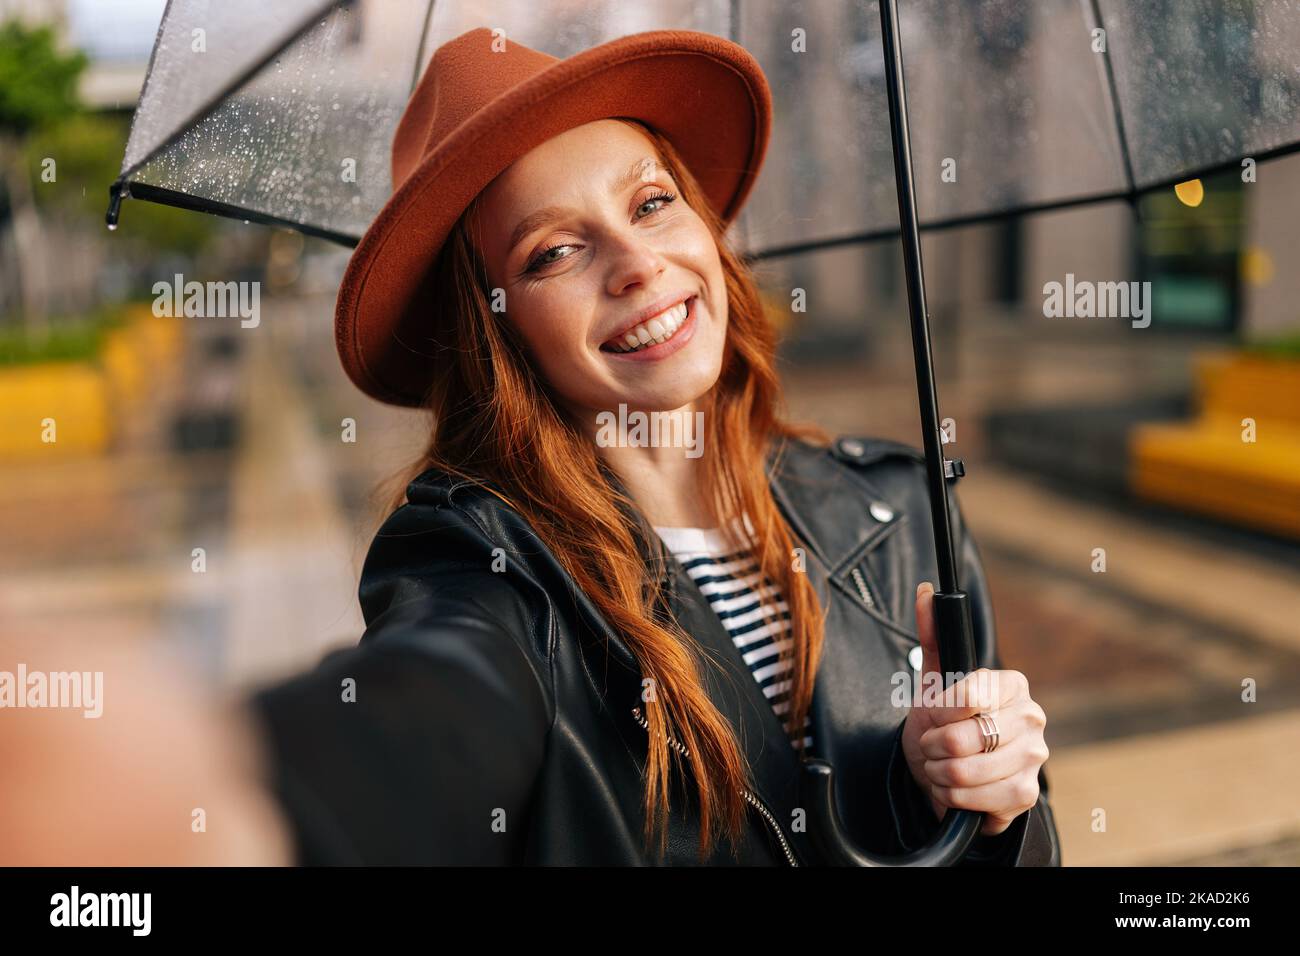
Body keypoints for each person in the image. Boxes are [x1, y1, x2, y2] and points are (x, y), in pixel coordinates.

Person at [247, 26, 1061, 866]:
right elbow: (428, 711)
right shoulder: (484, 567)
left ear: (706, 227)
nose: (637, 263)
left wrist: (972, 802)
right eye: (554, 251)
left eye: (650, 203)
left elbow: (1029, 844)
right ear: (493, 327)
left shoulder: (901, 511)